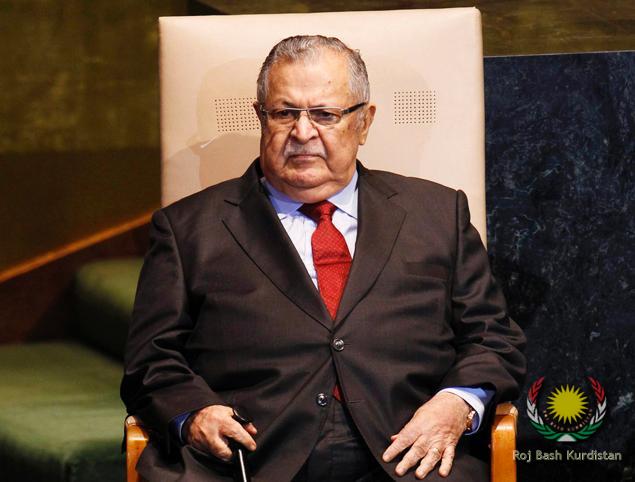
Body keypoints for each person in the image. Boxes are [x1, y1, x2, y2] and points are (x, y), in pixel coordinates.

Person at [121, 35, 526, 482]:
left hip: (410, 456)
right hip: (247, 462)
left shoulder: (437, 213)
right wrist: (195, 414)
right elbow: (150, 362)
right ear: (260, 117)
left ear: (364, 122)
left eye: (325, 114)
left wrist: (456, 404)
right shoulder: (187, 228)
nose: (302, 132)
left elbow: (493, 339)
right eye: (284, 113)